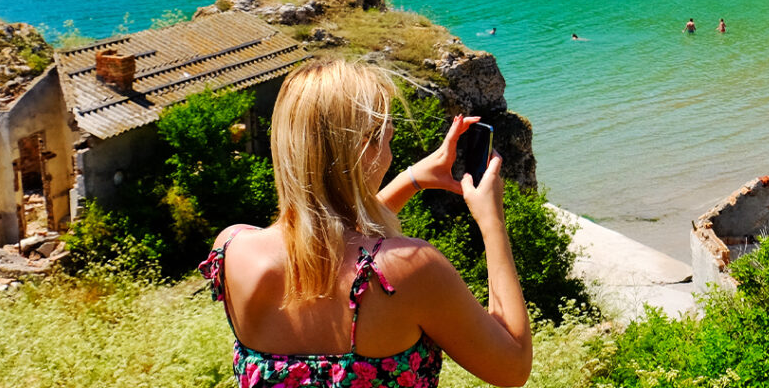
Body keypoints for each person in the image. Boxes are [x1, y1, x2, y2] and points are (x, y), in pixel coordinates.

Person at [198, 59, 532, 388]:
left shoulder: (231, 250)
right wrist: (492, 223)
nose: (388, 154)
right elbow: (512, 366)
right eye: (386, 142)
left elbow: (330, 247)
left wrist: (411, 179)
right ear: (362, 150)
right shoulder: (408, 271)